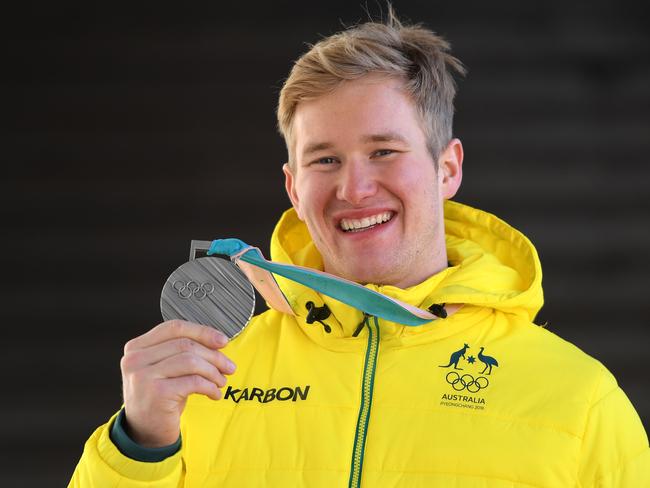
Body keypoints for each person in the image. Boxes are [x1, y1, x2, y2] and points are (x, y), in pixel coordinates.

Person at [69, 10, 649, 487]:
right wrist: (139, 445)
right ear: (294, 187)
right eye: (324, 159)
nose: (354, 188)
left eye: (384, 151)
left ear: (447, 169)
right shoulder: (204, 376)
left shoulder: (579, 402)